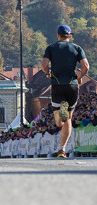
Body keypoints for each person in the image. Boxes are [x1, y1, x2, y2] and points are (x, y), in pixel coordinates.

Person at [41, 24, 89, 158]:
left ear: (58, 35)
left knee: (58, 122)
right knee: (68, 118)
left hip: (57, 85)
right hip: (72, 85)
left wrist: (48, 73)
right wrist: (80, 77)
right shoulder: (77, 48)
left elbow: (44, 65)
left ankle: (61, 110)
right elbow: (86, 67)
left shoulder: (51, 48)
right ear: (70, 36)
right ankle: (62, 149)